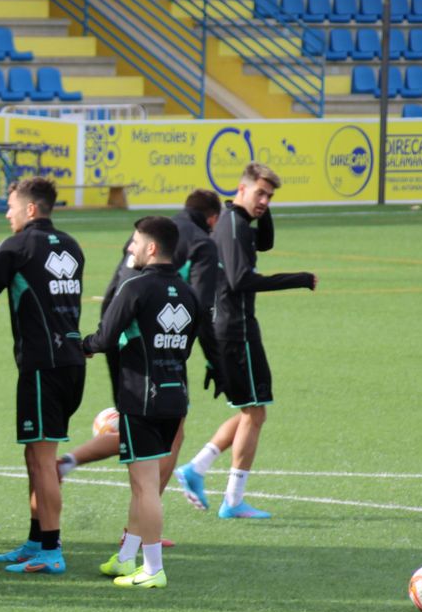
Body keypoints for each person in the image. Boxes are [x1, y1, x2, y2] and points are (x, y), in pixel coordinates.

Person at [60, 189, 221, 504]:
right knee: (163, 435)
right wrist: (216, 363)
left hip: (122, 336)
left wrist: (95, 341)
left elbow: (111, 293)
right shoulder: (195, 245)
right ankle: (144, 528)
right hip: (155, 352)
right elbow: (199, 314)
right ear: (211, 219)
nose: (131, 246)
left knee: (136, 430)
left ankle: (68, 462)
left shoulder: (150, 236)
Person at [175, 164, 316, 520]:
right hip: (236, 327)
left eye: (270, 196)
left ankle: (196, 468)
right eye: (260, 194)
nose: (265, 201)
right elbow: (239, 280)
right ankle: (233, 500)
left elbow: (265, 242)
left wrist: (262, 210)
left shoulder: (234, 220)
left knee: (250, 409)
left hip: (231, 325)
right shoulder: (234, 224)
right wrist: (297, 279)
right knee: (256, 412)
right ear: (242, 188)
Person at [81, 216, 200, 589]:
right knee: (140, 484)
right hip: (175, 396)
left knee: (145, 485)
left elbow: (104, 338)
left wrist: (78, 346)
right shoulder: (188, 293)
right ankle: (125, 557)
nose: (129, 248)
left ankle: (152, 568)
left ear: (151, 248)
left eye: (134, 242)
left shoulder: (135, 287)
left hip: (141, 399)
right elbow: (189, 346)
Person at [0, 177, 84, 574]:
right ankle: (36, 539)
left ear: (30, 209)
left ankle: (52, 549)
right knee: (34, 455)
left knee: (42, 460)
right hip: (71, 361)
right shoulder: (72, 246)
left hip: (44, 365)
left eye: (11, 206)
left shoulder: (17, 246)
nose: (6, 213)